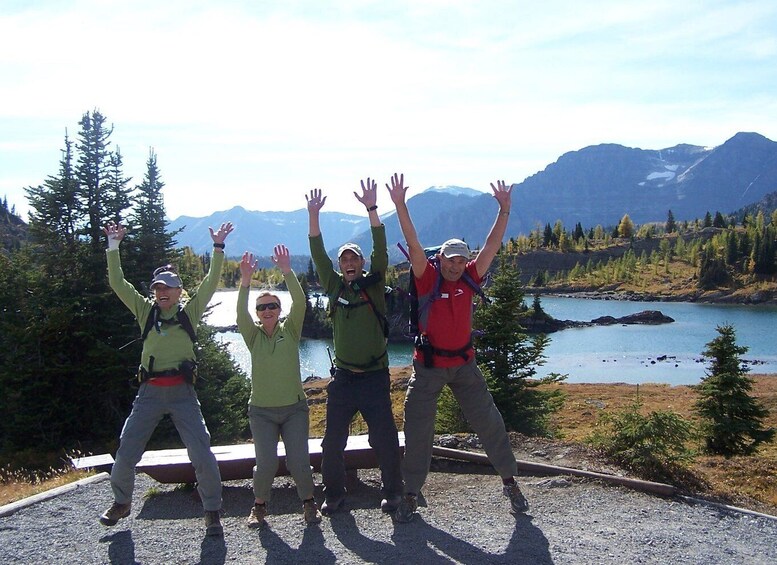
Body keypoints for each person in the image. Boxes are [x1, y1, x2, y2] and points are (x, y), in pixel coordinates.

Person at [385, 173, 530, 523]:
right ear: (441, 259)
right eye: (450, 259)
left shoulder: (470, 277)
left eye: (460, 260)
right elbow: (413, 243)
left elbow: (492, 245)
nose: (454, 265)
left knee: (490, 424)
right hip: (429, 366)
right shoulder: (427, 276)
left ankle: (510, 483)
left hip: (465, 366)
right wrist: (400, 205)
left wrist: (505, 211)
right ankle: (410, 492)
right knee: (418, 431)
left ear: (466, 261)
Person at [99, 220, 233, 536]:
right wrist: (113, 247)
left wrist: (218, 248)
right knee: (127, 449)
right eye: (157, 288)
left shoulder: (190, 312)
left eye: (166, 288)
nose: (160, 292)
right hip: (149, 393)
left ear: (178, 291)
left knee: (201, 452)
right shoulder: (146, 312)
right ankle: (121, 503)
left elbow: (212, 282)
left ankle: (212, 510)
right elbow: (118, 283)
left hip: (183, 393)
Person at [306, 180, 403, 515]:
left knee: (386, 441)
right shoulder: (333, 286)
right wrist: (313, 215)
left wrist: (373, 210)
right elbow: (317, 252)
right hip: (343, 380)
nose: (349, 263)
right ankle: (334, 495)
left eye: (354, 259)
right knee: (332, 442)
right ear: (340, 265)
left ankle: (393, 492)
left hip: (375, 377)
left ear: (361, 264)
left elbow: (381, 249)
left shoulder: (374, 286)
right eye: (344, 259)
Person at [236, 245, 322, 528]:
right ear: (258, 314)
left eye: (272, 305)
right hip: (261, 411)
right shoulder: (252, 336)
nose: (267, 310)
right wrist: (245, 282)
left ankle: (309, 503)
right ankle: (259, 506)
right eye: (262, 307)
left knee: (299, 461)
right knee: (267, 464)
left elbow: (301, 303)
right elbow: (240, 314)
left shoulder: (291, 330)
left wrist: (287, 270)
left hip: (294, 409)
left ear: (279, 309)